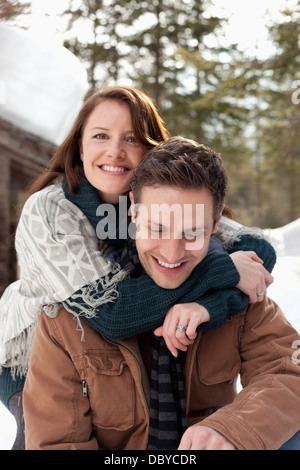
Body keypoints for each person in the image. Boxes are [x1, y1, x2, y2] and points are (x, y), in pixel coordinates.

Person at [0, 87, 274, 449]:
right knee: (48, 436)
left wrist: (207, 306)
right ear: (80, 147)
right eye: (100, 136)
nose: (115, 151)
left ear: (151, 150)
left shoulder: (159, 202)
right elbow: (113, 311)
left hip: (112, 356)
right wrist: (221, 271)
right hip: (39, 356)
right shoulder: (49, 210)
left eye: (131, 139)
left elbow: (257, 251)